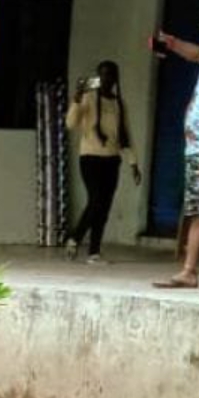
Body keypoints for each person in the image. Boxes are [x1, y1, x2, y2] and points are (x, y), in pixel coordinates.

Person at [155, 1, 199, 290]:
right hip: (196, 150)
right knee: (196, 211)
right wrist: (171, 43)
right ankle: (189, 271)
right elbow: (195, 53)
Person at [65, 61, 141, 263]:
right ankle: (75, 236)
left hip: (112, 159)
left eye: (110, 75)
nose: (106, 79)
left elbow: (126, 134)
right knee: (96, 200)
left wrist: (133, 162)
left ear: (116, 79)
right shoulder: (88, 98)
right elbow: (71, 123)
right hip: (90, 157)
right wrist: (76, 98)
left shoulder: (119, 103)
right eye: (102, 75)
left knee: (104, 206)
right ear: (97, 78)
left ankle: (94, 252)